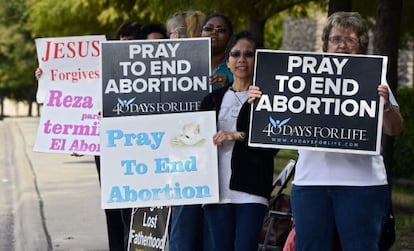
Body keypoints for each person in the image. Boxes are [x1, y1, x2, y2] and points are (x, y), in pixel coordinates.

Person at [249, 12, 403, 251]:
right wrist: (261, 98)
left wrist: (385, 105)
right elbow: (272, 120)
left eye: (351, 40)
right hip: (311, 183)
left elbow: (394, 129)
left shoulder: (373, 77)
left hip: (362, 185)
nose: (343, 45)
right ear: (326, 43)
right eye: (336, 39)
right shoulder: (302, 76)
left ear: (361, 45)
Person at [201, 31, 278, 251]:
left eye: (248, 54)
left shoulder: (269, 100)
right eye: (235, 54)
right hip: (215, 191)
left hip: (251, 190)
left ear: (259, 59)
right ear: (227, 61)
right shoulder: (211, 100)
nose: (241, 59)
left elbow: (271, 145)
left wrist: (236, 135)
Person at [201, 13, 234, 90]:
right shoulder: (187, 64)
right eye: (208, 29)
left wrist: (229, 86)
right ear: (200, 33)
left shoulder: (236, 68)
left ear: (229, 37)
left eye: (221, 30)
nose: (214, 33)